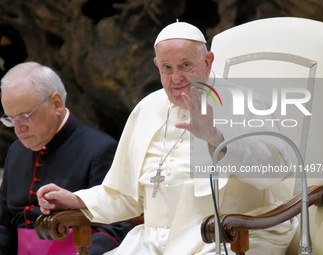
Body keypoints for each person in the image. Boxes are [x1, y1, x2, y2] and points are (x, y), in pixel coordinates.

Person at [37, 22, 297, 254]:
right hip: (153, 241)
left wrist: (218, 139)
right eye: (167, 68)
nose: (176, 78)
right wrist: (78, 199)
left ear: (207, 61)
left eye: (186, 65)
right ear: (156, 66)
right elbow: (125, 195)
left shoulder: (244, 102)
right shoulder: (146, 109)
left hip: (227, 237)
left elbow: (275, 171)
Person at [0, 62, 131, 255]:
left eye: (25, 117)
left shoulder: (100, 149)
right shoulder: (16, 151)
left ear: (56, 103)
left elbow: (114, 228)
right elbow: (3, 222)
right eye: (11, 119)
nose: (18, 130)